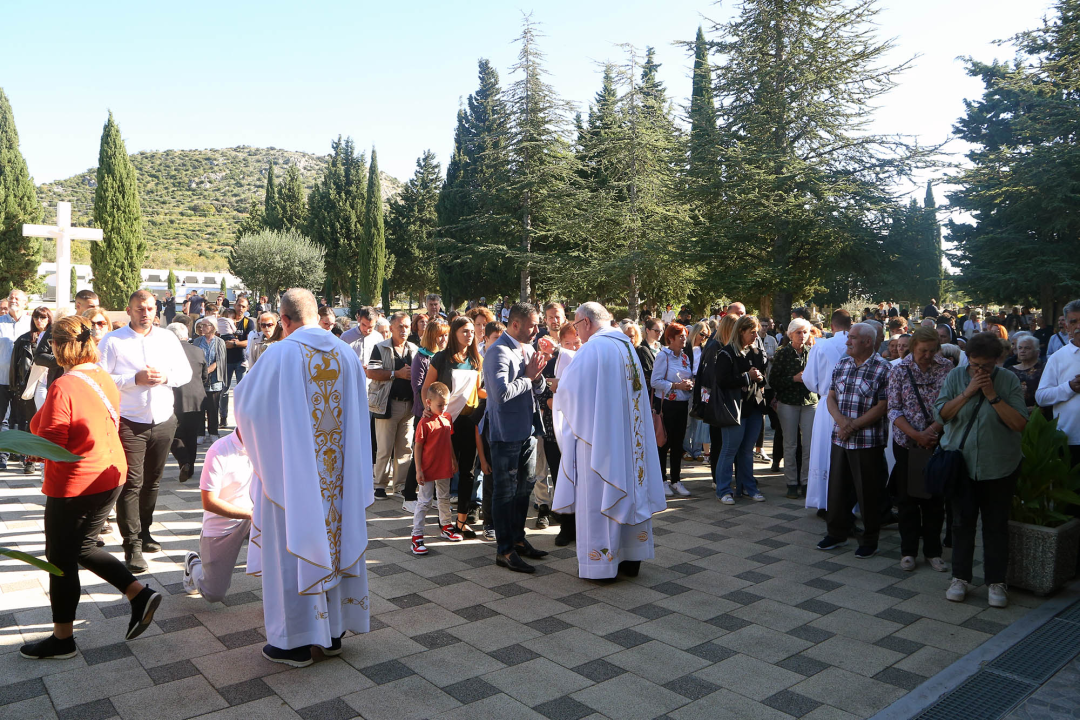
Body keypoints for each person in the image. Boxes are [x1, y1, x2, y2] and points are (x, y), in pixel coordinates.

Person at [234, 288, 373, 667]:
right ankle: (332, 636)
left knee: (292, 550)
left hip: (294, 482)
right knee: (335, 541)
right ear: (316, 314)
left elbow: (246, 409)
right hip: (339, 481)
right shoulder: (346, 353)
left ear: (284, 319)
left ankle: (293, 642)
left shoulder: (279, 353)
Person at [20, 315, 161, 659]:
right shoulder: (100, 376)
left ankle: (63, 639)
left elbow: (51, 441)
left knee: (60, 560)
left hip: (76, 482)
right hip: (109, 474)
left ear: (56, 346)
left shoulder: (64, 385)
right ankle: (139, 594)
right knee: (81, 548)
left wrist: (26, 451)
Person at [553, 302, 666, 579]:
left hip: (598, 444)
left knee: (599, 498)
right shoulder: (626, 345)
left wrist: (557, 386)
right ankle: (630, 558)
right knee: (630, 492)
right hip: (629, 442)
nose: (578, 334)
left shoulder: (592, 348)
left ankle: (602, 567)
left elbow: (571, 394)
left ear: (586, 323)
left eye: (577, 327)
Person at [98, 290, 193, 573]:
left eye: (151, 308)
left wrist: (166, 377)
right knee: (132, 483)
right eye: (140, 308)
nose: (146, 313)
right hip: (130, 421)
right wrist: (133, 379)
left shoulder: (167, 338)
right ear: (129, 310)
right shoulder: (112, 340)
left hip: (163, 419)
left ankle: (146, 531)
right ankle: (132, 545)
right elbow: (102, 379)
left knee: (152, 481)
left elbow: (185, 373)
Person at [936, 332, 1028, 608]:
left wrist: (991, 395)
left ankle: (996, 581)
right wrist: (968, 392)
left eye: (985, 367)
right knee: (961, 523)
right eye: (974, 365)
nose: (979, 371)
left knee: (996, 525)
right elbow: (941, 415)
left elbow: (1019, 424)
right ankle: (960, 577)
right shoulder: (955, 377)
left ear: (996, 361)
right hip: (961, 465)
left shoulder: (1008, 379)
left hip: (999, 464)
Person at [483, 302, 550, 573]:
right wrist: (528, 377)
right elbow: (499, 394)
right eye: (533, 324)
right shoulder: (498, 351)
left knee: (524, 489)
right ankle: (504, 550)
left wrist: (538, 378)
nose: (537, 329)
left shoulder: (529, 348)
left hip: (528, 430)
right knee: (506, 492)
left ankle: (518, 540)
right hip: (506, 433)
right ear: (515, 324)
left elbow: (538, 387)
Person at [817, 323, 891, 558]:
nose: (847, 342)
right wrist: (841, 422)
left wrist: (853, 426)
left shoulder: (884, 368)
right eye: (848, 337)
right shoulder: (843, 363)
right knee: (837, 488)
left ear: (868, 342)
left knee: (868, 492)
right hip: (841, 438)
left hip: (867, 441)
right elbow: (831, 396)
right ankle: (836, 533)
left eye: (853, 338)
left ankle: (870, 539)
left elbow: (883, 406)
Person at [888, 327, 952, 573]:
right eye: (922, 350)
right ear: (913, 346)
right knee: (907, 498)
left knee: (935, 498)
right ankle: (908, 550)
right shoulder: (899, 370)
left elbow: (951, 403)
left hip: (938, 440)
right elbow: (894, 408)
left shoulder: (945, 367)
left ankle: (933, 551)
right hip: (907, 443)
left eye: (932, 350)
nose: (927, 355)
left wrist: (933, 431)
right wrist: (917, 434)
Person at [421, 316, 485, 538]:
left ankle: (462, 520)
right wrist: (427, 409)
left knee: (468, 472)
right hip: (445, 422)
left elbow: (479, 390)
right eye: (464, 331)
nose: (469, 334)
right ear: (455, 333)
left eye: (471, 331)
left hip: (468, 421)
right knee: (445, 470)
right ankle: (444, 520)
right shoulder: (441, 358)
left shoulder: (477, 359)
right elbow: (427, 387)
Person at [182, 430, 254, 601]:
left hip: (255, 518)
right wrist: (251, 514)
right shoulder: (219, 450)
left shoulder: (268, 444)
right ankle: (193, 563)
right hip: (224, 524)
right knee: (213, 593)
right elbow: (209, 502)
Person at [714, 315, 768, 505]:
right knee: (729, 449)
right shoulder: (726, 353)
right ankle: (723, 490)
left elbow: (762, 375)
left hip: (753, 407)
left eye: (756, 332)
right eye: (752, 332)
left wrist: (760, 377)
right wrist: (747, 377)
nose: (756, 335)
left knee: (746, 450)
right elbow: (721, 381)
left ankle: (748, 487)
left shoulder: (755, 352)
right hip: (733, 408)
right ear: (740, 331)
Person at [802, 309, 852, 511]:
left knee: (824, 450)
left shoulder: (822, 346)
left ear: (832, 326)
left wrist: (822, 390)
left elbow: (808, 379)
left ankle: (823, 500)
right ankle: (851, 503)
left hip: (826, 405)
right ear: (850, 326)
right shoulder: (857, 343)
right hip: (853, 407)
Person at [400, 319, 450, 513]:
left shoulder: (444, 356)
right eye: (440, 335)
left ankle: (436, 496)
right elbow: (418, 387)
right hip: (424, 415)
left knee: (437, 455)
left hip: (440, 415)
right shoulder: (421, 358)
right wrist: (426, 408)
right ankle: (409, 496)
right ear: (431, 336)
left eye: (446, 334)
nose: (444, 339)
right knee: (419, 455)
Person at [368, 313, 417, 499]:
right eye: (400, 326)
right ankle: (380, 485)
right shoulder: (380, 348)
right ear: (392, 328)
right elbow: (372, 372)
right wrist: (396, 373)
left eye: (406, 326)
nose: (404, 330)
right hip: (387, 404)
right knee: (384, 448)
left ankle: (400, 485)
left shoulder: (413, 348)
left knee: (405, 448)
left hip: (409, 406)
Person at [771, 318, 818, 499]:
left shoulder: (812, 352)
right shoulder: (782, 354)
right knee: (790, 444)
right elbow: (773, 381)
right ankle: (791, 482)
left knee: (809, 445)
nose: (802, 336)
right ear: (791, 334)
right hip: (788, 402)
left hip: (809, 402)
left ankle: (807, 482)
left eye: (805, 332)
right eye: (798, 332)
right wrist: (794, 379)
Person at [410, 382, 458, 554]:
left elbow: (449, 440)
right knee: (424, 501)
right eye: (440, 405)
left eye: (446, 404)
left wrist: (453, 459)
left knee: (444, 497)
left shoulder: (447, 418)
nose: (444, 408)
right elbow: (418, 446)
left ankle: (446, 526)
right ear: (428, 402)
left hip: (444, 466)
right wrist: (418, 469)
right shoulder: (424, 422)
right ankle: (417, 536)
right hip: (428, 468)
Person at [651, 323, 694, 497]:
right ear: (670, 338)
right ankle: (662, 480)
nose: (684, 339)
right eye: (681, 336)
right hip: (666, 405)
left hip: (682, 404)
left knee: (678, 443)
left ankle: (676, 480)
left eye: (685, 335)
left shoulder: (685, 357)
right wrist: (676, 386)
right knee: (664, 443)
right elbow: (655, 381)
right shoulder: (663, 356)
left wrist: (689, 385)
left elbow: (688, 376)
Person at [1037, 300, 1080, 464]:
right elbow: (1041, 397)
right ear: (1067, 326)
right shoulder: (1057, 358)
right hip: (1069, 440)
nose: (1079, 326)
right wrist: (1069, 387)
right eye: (1074, 321)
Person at [10, 306, 52, 472]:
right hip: (31, 386)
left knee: (48, 422)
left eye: (43, 317)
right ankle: (30, 460)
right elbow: (15, 365)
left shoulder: (56, 337)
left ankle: (44, 460)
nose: (39, 321)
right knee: (32, 423)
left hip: (51, 383)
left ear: (49, 318)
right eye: (36, 317)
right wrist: (15, 386)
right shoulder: (25, 339)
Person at [167, 322, 206, 484]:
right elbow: (205, 377)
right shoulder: (198, 350)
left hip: (176, 397)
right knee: (191, 434)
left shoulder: (167, 352)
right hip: (198, 397)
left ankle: (184, 461)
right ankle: (189, 468)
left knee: (171, 434)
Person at [219, 295, 254, 428]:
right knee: (224, 390)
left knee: (242, 391)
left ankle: (243, 419)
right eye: (239, 305)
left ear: (247, 308)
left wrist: (234, 344)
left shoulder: (248, 322)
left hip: (241, 361)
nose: (240, 308)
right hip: (226, 360)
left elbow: (249, 341)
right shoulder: (224, 319)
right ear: (235, 305)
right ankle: (223, 418)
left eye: (243, 306)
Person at [193, 318, 227, 443]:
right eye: (200, 325)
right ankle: (200, 433)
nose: (202, 328)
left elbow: (220, 361)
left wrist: (206, 371)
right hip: (199, 381)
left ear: (212, 327)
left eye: (205, 325)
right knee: (200, 408)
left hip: (214, 381)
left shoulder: (220, 342)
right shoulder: (196, 341)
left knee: (213, 408)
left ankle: (213, 432)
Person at [1010, 334, 1045, 411]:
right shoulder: (1010, 371)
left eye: (1027, 348)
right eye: (1020, 348)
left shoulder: (1044, 368)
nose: (1022, 351)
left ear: (1037, 352)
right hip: (1016, 413)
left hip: (1040, 413)